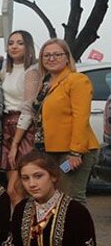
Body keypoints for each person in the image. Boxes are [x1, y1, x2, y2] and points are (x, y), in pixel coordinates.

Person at [34, 38, 99, 203]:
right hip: (50, 151)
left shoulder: (77, 80)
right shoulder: (46, 83)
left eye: (57, 54)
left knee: (71, 199)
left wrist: (75, 153)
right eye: (46, 55)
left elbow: (81, 117)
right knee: (55, 198)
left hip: (72, 153)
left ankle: (78, 222)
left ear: (67, 57)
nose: (51, 58)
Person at [1, 30, 40, 205]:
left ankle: (22, 222)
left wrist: (16, 143)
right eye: (11, 43)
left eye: (20, 43)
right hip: (6, 126)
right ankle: (18, 220)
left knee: (15, 189)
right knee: (12, 190)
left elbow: (28, 110)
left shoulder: (32, 71)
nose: (14, 47)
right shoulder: (6, 69)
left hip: (23, 129)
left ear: (28, 46)